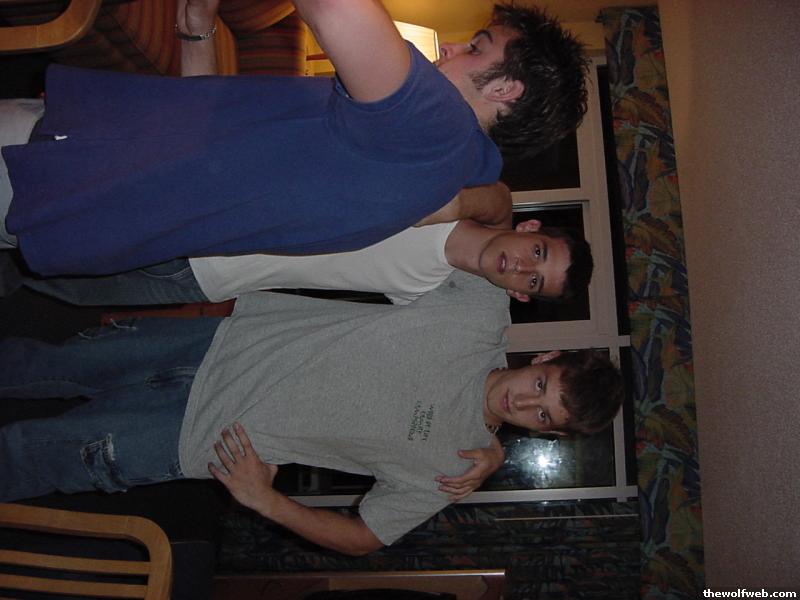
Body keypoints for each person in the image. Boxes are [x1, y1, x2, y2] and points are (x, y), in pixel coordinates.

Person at [0, 269, 623, 555]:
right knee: (34, 363)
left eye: (543, 417)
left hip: (196, 438)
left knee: (25, 456)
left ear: (549, 434)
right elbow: (486, 208)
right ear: (546, 355)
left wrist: (266, 502)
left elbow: (365, 538)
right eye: (541, 384)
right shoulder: (481, 312)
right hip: (208, 345)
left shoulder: (454, 467)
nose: (524, 402)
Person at [0, 0, 589, 276]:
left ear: (505, 89)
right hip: (85, 182)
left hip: (69, 166)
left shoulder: (432, 127)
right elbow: (216, 158)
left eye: (478, 47)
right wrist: (197, 34)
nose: (455, 47)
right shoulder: (429, 169)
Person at [13, 213, 592, 307]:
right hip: (199, 218)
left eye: (533, 281)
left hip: (202, 281)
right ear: (528, 228)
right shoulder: (440, 192)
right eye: (536, 253)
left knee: (44, 280)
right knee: (45, 229)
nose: (522, 268)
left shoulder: (421, 293)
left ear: (519, 295)